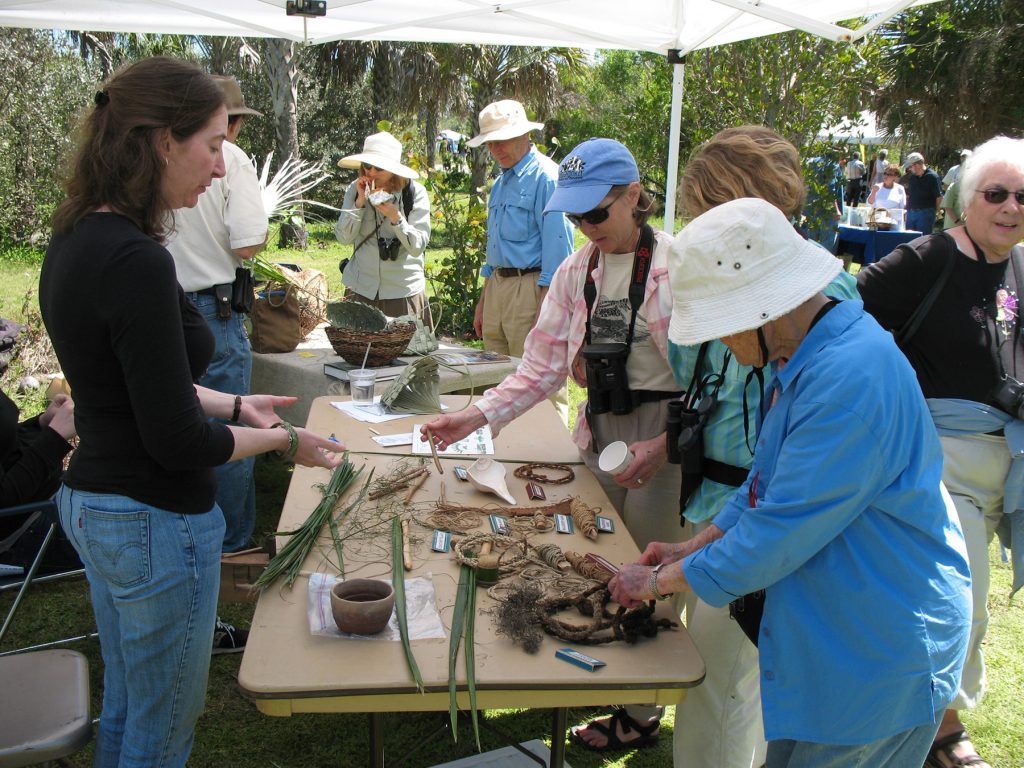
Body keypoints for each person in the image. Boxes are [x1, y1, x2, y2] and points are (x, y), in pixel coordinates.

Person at [37, 57, 344, 768]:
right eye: (213, 145)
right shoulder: (137, 262)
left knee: (129, 705)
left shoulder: (79, 238)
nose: (220, 166)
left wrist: (238, 402)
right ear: (161, 141)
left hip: (96, 504)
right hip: (152, 518)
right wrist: (280, 440)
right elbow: (176, 437)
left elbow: (137, 385)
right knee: (164, 727)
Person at [612, 196, 971, 768]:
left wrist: (659, 582)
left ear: (761, 311)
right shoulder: (804, 354)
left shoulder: (847, 380)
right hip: (837, 642)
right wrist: (691, 545)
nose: (721, 346)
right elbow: (764, 485)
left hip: (879, 652)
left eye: (721, 328)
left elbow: (775, 535)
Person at [422, 138, 681, 750]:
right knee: (595, 558)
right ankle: (602, 669)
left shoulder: (678, 270)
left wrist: (665, 445)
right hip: (600, 433)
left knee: (651, 570)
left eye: (597, 214)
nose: (586, 228)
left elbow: (714, 386)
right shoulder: (576, 271)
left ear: (636, 197)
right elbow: (538, 368)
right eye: (575, 217)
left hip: (662, 443)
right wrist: (474, 416)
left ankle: (641, 710)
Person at [670, 124, 859, 768]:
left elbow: (808, 447)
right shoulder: (766, 285)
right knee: (729, 675)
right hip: (720, 501)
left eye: (711, 209)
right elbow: (689, 357)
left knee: (722, 683)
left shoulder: (815, 302)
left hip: (771, 515)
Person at [857, 134, 1024, 768]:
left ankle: (933, 723)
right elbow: (845, 315)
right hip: (937, 463)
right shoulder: (928, 258)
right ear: (963, 198)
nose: (1011, 207)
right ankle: (939, 728)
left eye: (1023, 196)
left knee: (965, 605)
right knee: (961, 599)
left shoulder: (1019, 263)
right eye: (997, 193)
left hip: (1000, 463)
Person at [166, 75, 267, 557]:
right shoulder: (234, 160)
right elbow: (247, 241)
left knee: (172, 422)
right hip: (212, 307)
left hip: (161, 300)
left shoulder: (157, 156)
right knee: (231, 429)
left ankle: (185, 538)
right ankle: (229, 547)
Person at [466, 99, 574, 418]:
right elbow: (494, 250)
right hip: (499, 286)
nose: (496, 148)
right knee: (496, 378)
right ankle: (508, 451)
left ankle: (548, 453)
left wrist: (547, 303)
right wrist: (485, 299)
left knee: (539, 375)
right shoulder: (500, 183)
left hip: (532, 287)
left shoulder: (546, 177)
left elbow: (559, 249)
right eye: (491, 142)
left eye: (504, 140)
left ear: (526, 136)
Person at [335, 131, 432, 323]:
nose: (371, 173)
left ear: (393, 170)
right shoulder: (355, 190)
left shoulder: (414, 193)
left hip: (402, 292)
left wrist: (395, 217)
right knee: (357, 351)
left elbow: (417, 246)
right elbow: (343, 238)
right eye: (367, 166)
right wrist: (359, 203)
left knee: (405, 352)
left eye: (378, 168)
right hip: (361, 289)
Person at [904, 151, 944, 234]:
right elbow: (909, 195)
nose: (910, 169)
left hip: (926, 213)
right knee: (909, 239)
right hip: (911, 213)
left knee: (923, 240)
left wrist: (935, 212)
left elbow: (939, 197)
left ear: (917, 165)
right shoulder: (912, 178)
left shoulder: (932, 177)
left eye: (910, 166)